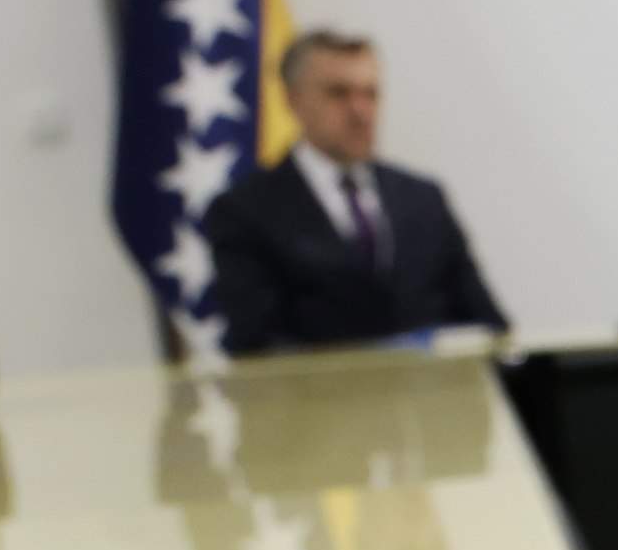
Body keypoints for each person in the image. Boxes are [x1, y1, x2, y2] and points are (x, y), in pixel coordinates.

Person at [205, 30, 507, 357]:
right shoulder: (245, 210)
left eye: (371, 94)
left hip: (432, 388)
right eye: (339, 93)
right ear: (293, 100)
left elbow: (488, 327)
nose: (360, 111)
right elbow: (258, 347)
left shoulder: (423, 199)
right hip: (320, 391)